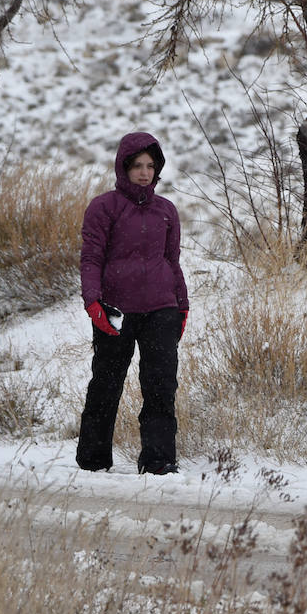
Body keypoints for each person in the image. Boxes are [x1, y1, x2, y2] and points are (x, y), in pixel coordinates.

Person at [78, 131, 189, 475]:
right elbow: (91, 258)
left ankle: (159, 461)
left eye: (150, 166)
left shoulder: (166, 210)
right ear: (123, 167)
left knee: (160, 387)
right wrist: (92, 301)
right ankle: (94, 462)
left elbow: (172, 261)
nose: (144, 172)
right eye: (137, 165)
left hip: (161, 309)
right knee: (105, 386)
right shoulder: (103, 207)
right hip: (116, 310)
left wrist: (182, 305)